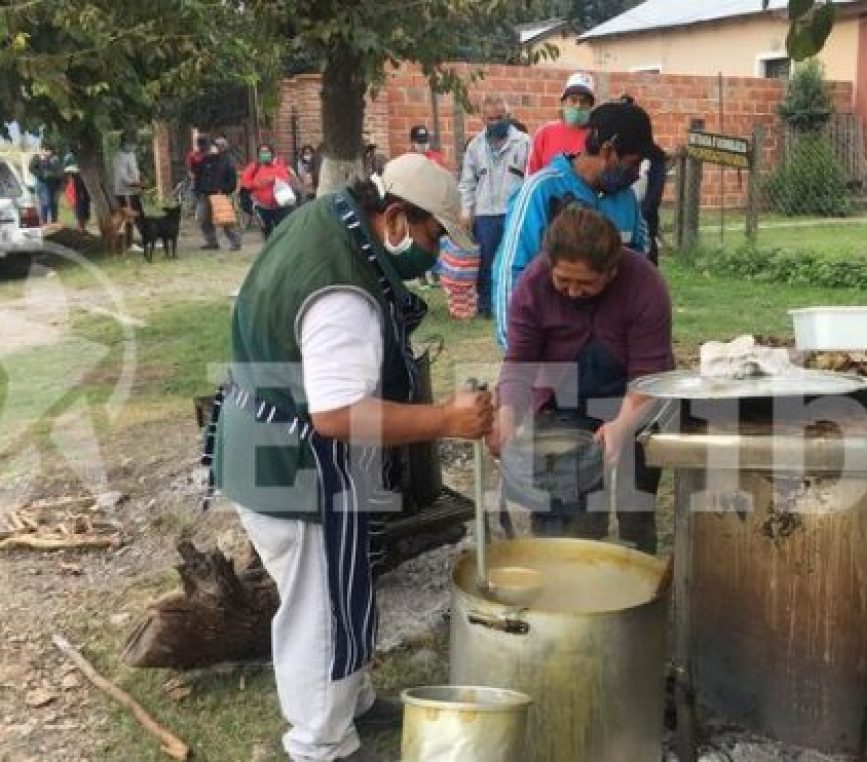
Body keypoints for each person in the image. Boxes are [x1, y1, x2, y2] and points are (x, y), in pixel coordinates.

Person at [210, 153, 488, 762]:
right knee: (321, 612)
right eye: (431, 234)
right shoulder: (345, 291)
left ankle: (352, 700)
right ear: (394, 216)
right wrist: (446, 420)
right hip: (295, 466)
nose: (432, 250)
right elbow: (337, 416)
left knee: (341, 587)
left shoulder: (324, 217)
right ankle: (320, 745)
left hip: (265, 440)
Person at [490, 206, 673, 553]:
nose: (573, 292)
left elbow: (649, 374)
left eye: (586, 283)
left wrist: (622, 425)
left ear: (611, 271)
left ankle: (637, 568)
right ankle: (563, 563)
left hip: (635, 391)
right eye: (563, 281)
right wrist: (508, 412)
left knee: (635, 499)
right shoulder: (533, 284)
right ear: (549, 264)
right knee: (562, 502)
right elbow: (519, 362)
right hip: (564, 394)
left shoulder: (645, 284)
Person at [492, 101, 654, 349]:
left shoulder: (627, 199)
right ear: (608, 151)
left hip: (611, 355)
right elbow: (510, 274)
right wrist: (518, 355)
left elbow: (640, 271)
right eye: (633, 163)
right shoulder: (541, 191)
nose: (636, 173)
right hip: (552, 354)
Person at [459, 95, 532, 319]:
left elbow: (532, 176)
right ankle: (486, 306)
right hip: (485, 214)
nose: (495, 122)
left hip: (514, 212)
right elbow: (467, 182)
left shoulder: (525, 142)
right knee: (486, 262)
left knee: (514, 259)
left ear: (509, 117)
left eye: (499, 118)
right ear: (482, 119)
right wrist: (465, 211)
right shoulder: (475, 146)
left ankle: (515, 304)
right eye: (490, 119)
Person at [618, 95, 668, 265]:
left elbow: (654, 195)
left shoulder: (654, 155)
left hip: (644, 223)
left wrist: (640, 218)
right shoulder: (614, 153)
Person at [526, 72, 595, 176]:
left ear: (591, 106)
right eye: (573, 100)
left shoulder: (596, 135)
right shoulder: (545, 133)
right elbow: (532, 174)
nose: (578, 105)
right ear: (563, 103)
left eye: (584, 101)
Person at [196, 136, 242, 251]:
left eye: (218, 145)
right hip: (205, 193)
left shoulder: (229, 161)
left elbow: (232, 181)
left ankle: (235, 242)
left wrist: (225, 190)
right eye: (214, 145)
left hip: (220, 195)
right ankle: (212, 242)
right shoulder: (206, 159)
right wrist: (198, 189)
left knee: (225, 219)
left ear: (224, 147)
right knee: (203, 219)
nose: (214, 147)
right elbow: (199, 175)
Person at [241, 143, 295, 239]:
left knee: (281, 230)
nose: (264, 154)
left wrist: (274, 179)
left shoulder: (279, 165)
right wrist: (256, 183)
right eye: (262, 152)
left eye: (266, 151)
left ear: (271, 153)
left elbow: (286, 179)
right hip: (261, 206)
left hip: (279, 206)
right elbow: (245, 183)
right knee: (266, 231)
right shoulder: (254, 167)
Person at [112, 132, 144, 252]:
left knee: (137, 216)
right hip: (124, 192)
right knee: (128, 217)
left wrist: (139, 181)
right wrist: (136, 184)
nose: (133, 145)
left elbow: (135, 170)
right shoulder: (118, 157)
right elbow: (123, 177)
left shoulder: (131, 154)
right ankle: (127, 243)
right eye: (131, 143)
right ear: (124, 143)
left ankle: (139, 241)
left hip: (133, 191)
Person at [28, 144, 64, 225]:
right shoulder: (37, 157)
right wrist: (41, 174)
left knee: (54, 204)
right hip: (43, 184)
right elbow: (31, 168)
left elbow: (60, 172)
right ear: (42, 150)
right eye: (46, 150)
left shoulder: (55, 159)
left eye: (49, 150)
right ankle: (44, 223)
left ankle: (54, 222)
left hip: (54, 184)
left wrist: (60, 185)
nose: (48, 152)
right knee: (45, 203)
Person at [61, 154, 90, 232]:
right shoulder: (69, 171)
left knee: (83, 211)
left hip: (81, 192)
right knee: (80, 211)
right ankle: (81, 228)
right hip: (77, 194)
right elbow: (69, 187)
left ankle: (82, 227)